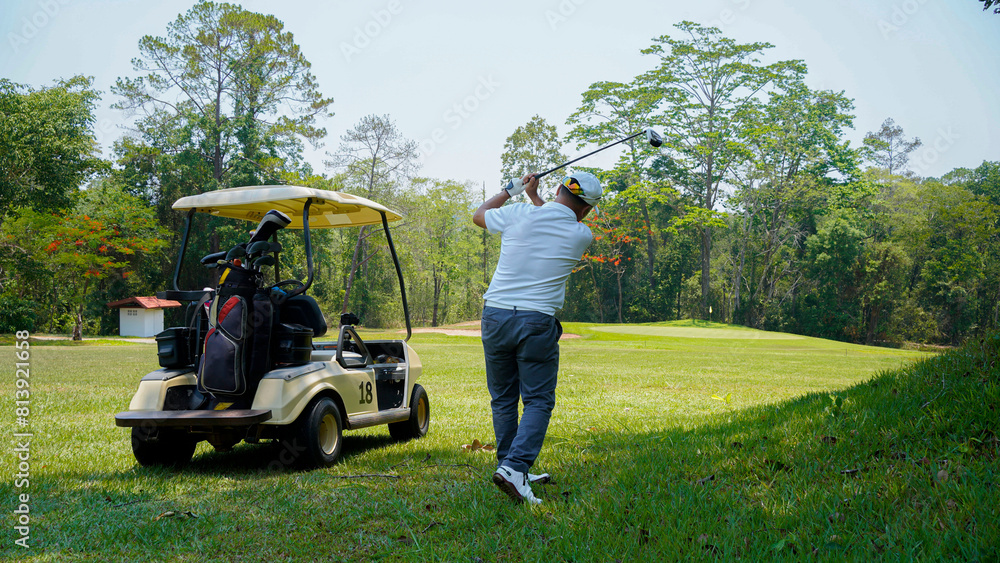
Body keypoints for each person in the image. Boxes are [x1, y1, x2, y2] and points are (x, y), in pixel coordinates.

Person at [472, 171, 602, 504]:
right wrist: (534, 198)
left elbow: (478, 215)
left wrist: (513, 191)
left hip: (496, 315)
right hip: (536, 322)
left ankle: (510, 468)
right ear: (587, 211)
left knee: (503, 399)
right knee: (538, 400)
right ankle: (515, 468)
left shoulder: (519, 215)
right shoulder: (581, 234)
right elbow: (557, 219)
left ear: (558, 189)